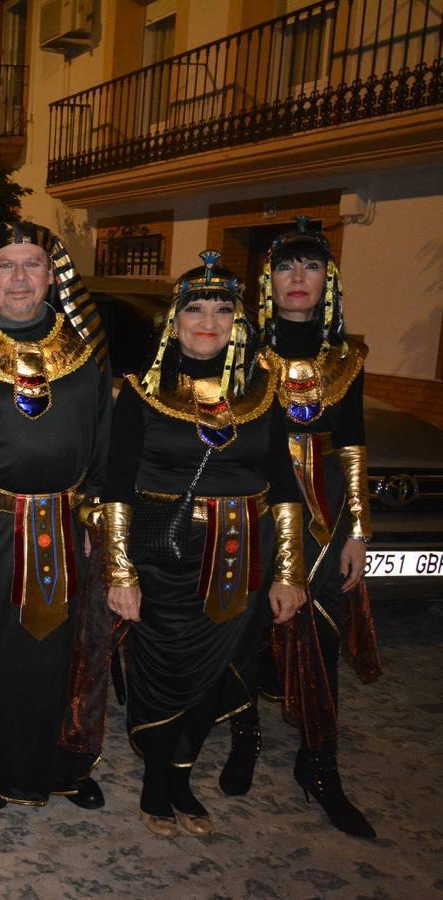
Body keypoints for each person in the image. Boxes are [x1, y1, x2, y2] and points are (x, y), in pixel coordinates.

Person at [100, 251, 307, 838]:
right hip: (165, 560)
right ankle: (153, 783)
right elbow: (116, 486)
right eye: (195, 307)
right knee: (163, 672)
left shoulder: (263, 393)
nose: (208, 320)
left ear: (238, 321)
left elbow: (286, 488)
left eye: (222, 308)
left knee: (218, 675)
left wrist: (289, 571)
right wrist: (121, 572)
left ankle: (181, 781)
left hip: (243, 563)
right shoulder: (142, 393)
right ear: (175, 319)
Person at [0, 222, 111, 811]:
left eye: (31, 263)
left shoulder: (84, 348)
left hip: (67, 527)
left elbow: (104, 442)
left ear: (52, 275)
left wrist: (94, 522)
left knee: (66, 656)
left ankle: (63, 767)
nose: (18, 277)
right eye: (5, 265)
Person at [219, 218, 380, 837]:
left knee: (323, 634)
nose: (297, 278)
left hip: (329, 511)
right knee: (247, 626)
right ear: (270, 281)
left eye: (310, 267)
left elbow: (356, 445)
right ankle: (245, 734)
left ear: (327, 282)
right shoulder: (241, 350)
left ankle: (320, 765)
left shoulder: (349, 357)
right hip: (257, 504)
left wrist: (360, 529)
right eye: (287, 266)